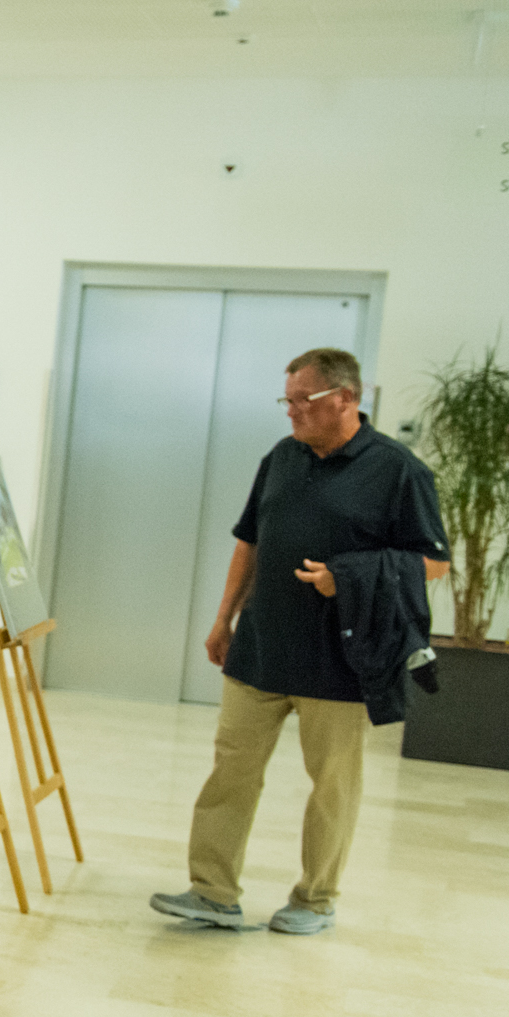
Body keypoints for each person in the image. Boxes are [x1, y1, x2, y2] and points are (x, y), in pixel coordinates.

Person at [152, 349, 449, 935]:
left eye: (302, 400)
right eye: (286, 400)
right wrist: (223, 618)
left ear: (346, 398)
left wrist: (351, 575)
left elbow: (434, 563)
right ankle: (213, 892)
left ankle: (315, 900)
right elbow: (250, 541)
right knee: (230, 771)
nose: (291, 411)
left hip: (342, 658)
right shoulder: (282, 457)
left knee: (333, 786)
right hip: (262, 645)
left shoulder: (398, 471)